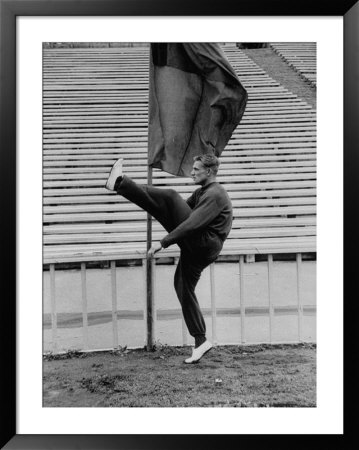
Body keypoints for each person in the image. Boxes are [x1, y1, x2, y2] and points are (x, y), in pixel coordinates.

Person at [105, 154, 233, 363]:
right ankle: (201, 341)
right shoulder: (203, 192)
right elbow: (178, 212)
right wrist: (161, 211)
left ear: (209, 172)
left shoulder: (216, 194)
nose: (192, 172)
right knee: (182, 286)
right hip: (201, 249)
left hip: (203, 242)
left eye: (196, 169)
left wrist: (163, 242)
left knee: (171, 197)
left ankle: (120, 183)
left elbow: (192, 223)